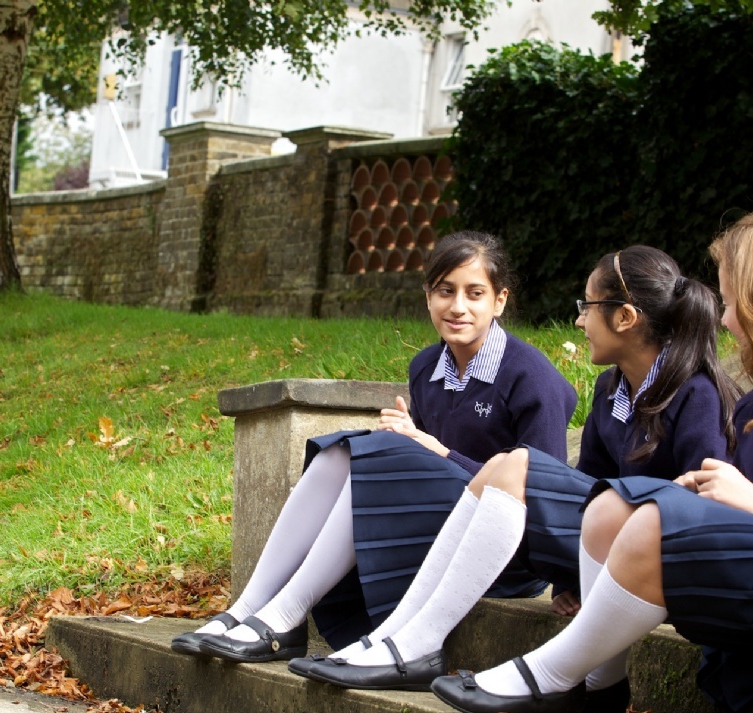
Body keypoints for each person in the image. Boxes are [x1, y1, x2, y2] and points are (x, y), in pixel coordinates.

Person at [429, 208, 753, 713]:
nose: (724, 320)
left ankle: (551, 675)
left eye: (731, 303)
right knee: (608, 507)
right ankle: (599, 682)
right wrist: (704, 500)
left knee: (650, 517)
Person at [300, 245, 739, 704]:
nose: (579, 321)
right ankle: (400, 637)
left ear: (625, 317)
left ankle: (415, 644)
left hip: (658, 561)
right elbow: (590, 485)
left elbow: (698, 512)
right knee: (505, 463)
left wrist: (441, 453)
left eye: (587, 307)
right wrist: (571, 580)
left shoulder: (697, 395)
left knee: (515, 462)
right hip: (604, 546)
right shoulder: (611, 388)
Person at [170, 230, 579, 663]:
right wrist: (410, 443)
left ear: (499, 301)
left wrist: (434, 451)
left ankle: (285, 616)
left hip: (501, 557)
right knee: (340, 452)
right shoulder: (426, 367)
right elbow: (428, 471)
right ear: (428, 297)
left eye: (474, 293)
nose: (458, 306)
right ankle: (247, 608)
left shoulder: (531, 377)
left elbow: (543, 495)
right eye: (445, 291)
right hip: (438, 528)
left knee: (379, 458)